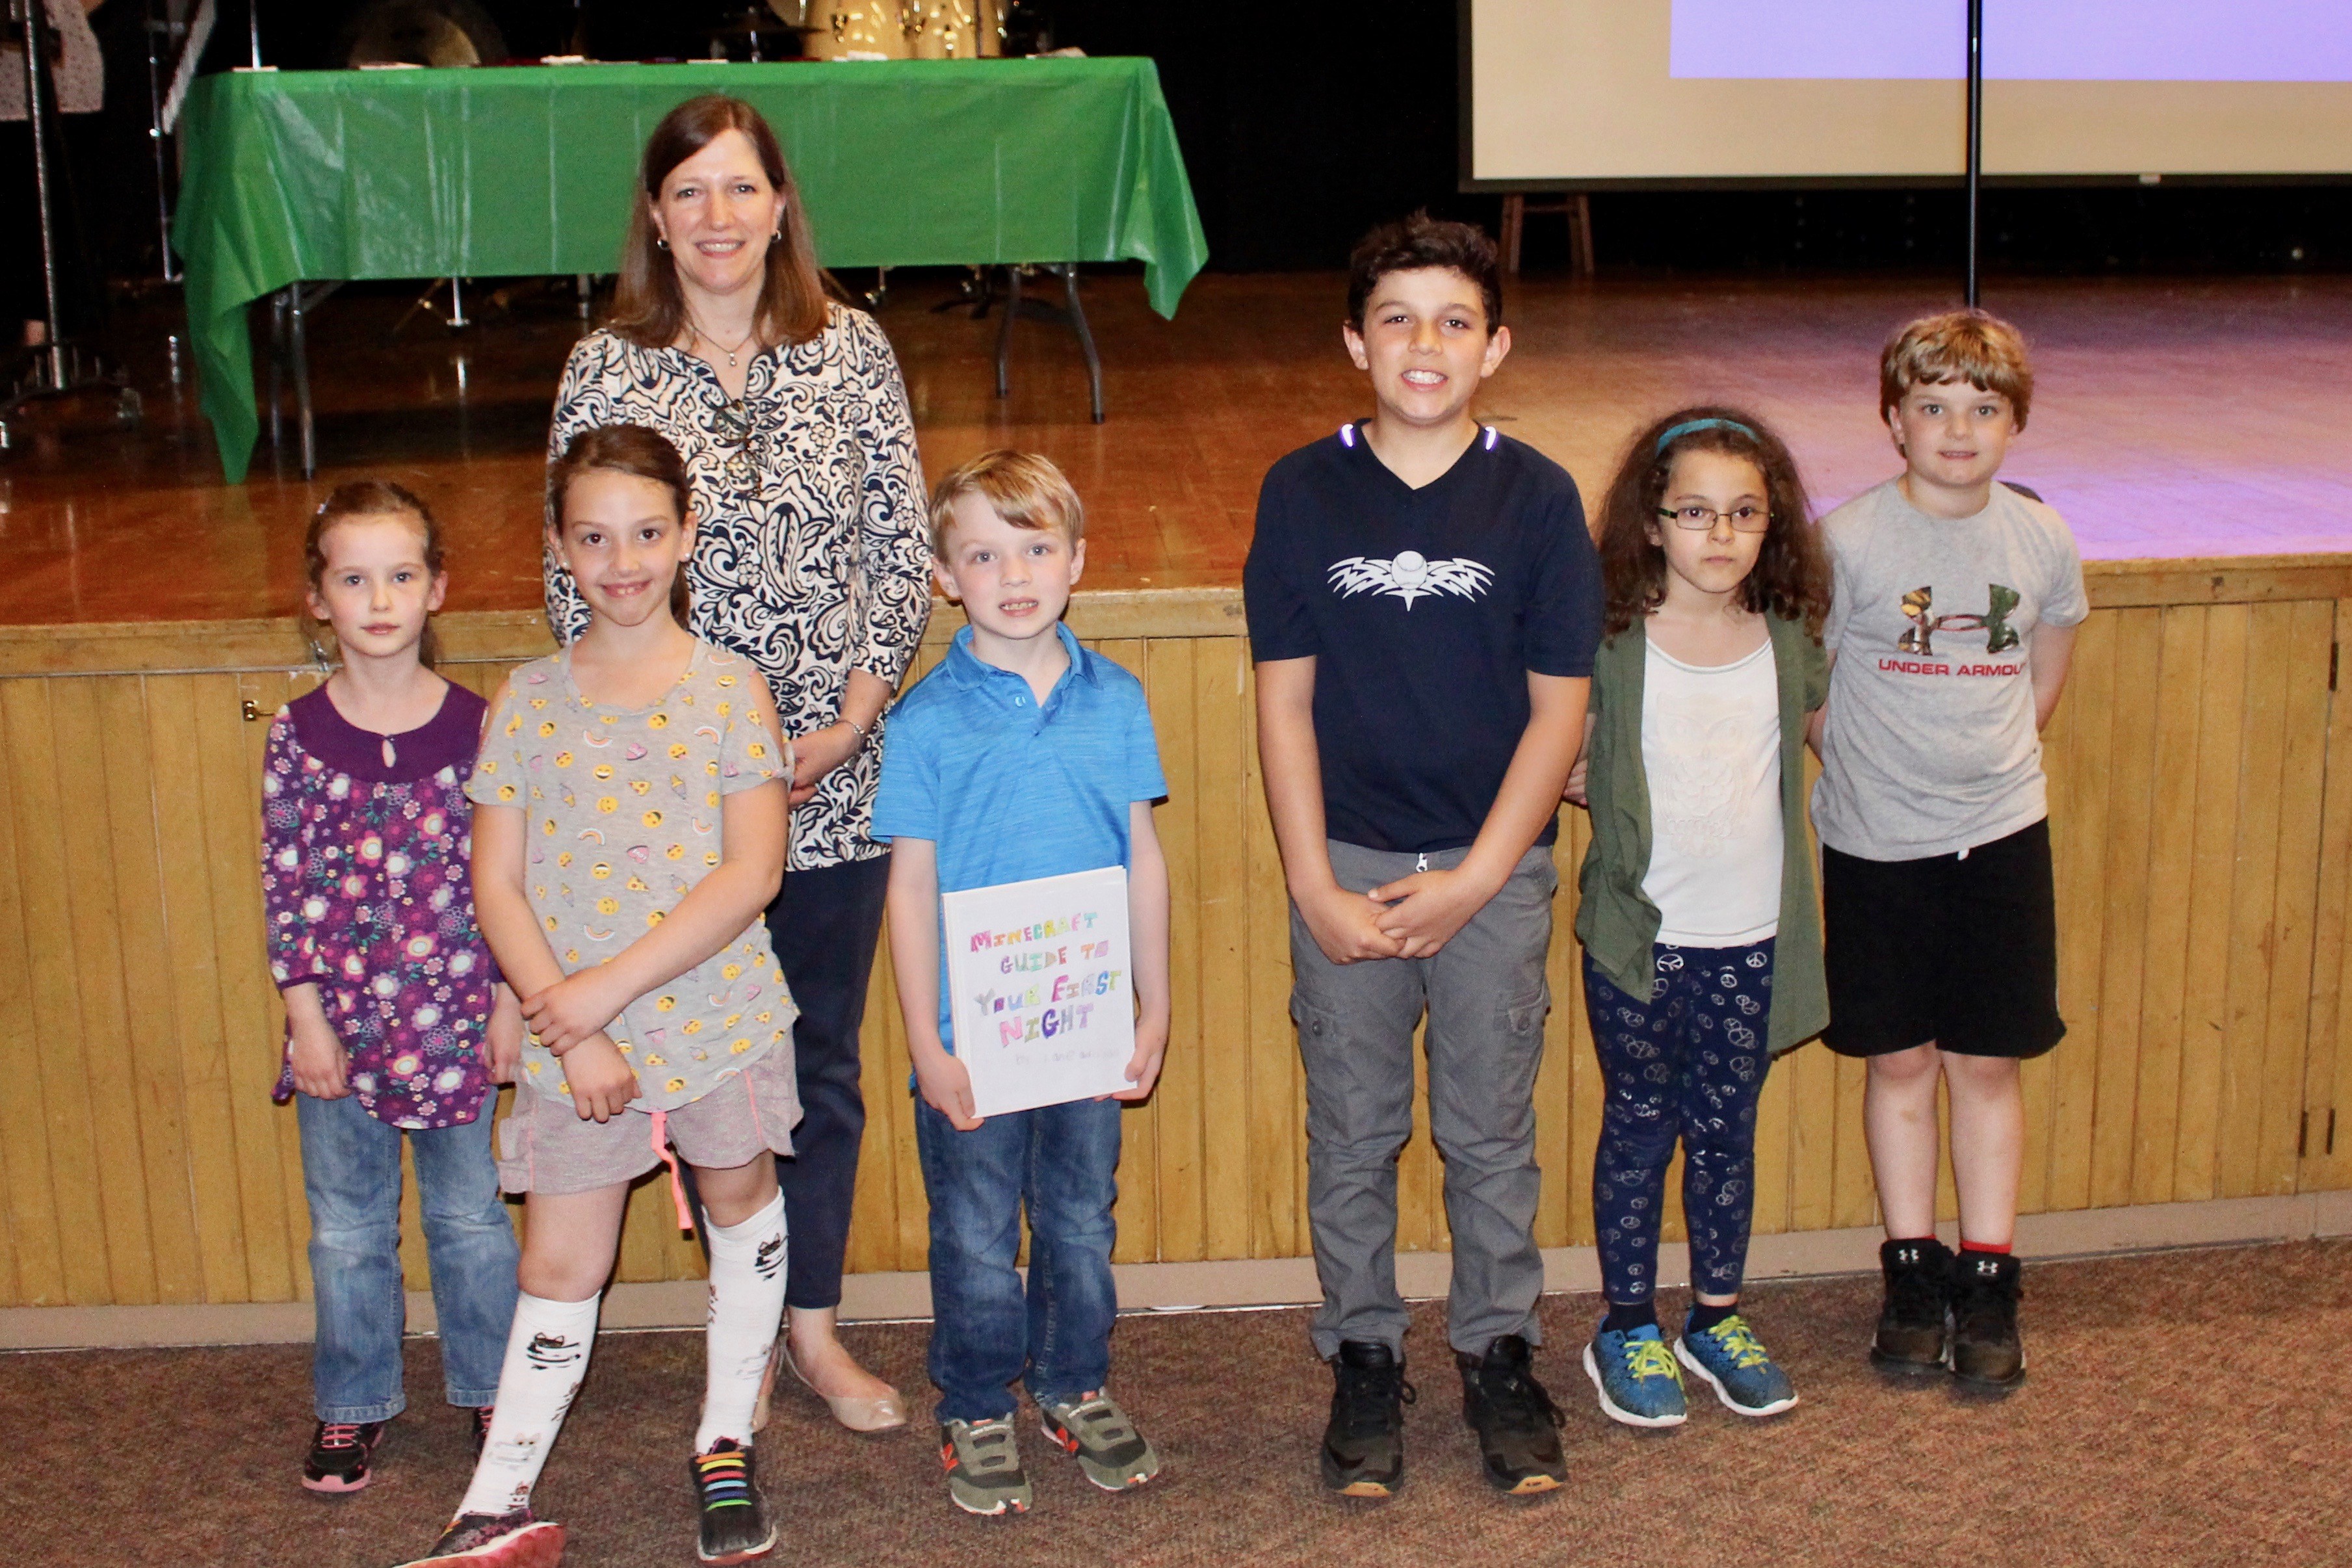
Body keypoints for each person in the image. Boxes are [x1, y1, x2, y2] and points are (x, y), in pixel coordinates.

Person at [547, 93, 931, 1434]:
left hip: (832, 784)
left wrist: (857, 714)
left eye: (741, 188)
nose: (717, 217)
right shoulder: (606, 368)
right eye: (690, 192)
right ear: (656, 215)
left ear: (781, 206)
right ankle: (737, 1344)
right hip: (669, 811)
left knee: (811, 1065)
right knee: (697, 1064)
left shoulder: (854, 350)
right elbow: (572, 584)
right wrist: (677, 767)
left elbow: (900, 554)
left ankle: (806, 1331)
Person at [1242, 213, 1602, 1498]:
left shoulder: (1541, 498)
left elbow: (1560, 713)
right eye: (1397, 318)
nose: (1425, 344)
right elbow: (1283, 701)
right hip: (1343, 860)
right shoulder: (1302, 490)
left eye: (1455, 320)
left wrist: (1476, 878)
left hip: (1490, 872)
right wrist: (1312, 885)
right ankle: (1364, 1358)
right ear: (1354, 340)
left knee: (1489, 1134)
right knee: (1351, 1133)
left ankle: (1500, 1351)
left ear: (1496, 345)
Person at [397, 426, 800, 1568]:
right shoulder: (526, 700)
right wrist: (564, 1024)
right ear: (558, 548)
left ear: (684, 536)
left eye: (646, 533)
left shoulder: (732, 690)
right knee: (559, 1268)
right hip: (577, 1045)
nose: (622, 560)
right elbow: (497, 878)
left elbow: (750, 874)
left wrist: (596, 996)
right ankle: (496, 1497)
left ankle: (725, 1438)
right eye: (593, 537)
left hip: (717, 1022)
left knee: (740, 1206)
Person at [873, 451, 1172, 1517]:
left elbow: (1142, 855)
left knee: (1080, 1218)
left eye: (1036, 547)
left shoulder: (1118, 701)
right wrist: (925, 1041)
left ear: (1076, 561)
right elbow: (909, 892)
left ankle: (1071, 1382)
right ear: (946, 576)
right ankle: (973, 1399)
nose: (1014, 573)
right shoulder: (921, 723)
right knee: (974, 1230)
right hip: (973, 1042)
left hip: (1087, 1030)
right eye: (984, 553)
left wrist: (1157, 1005)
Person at [1812, 309, 2085, 1392]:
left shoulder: (2039, 536)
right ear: (1893, 420)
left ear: (2014, 423)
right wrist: (1864, 763)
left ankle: (1986, 1273)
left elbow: (2052, 642)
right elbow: (1811, 681)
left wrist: (2002, 751)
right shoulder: (1850, 541)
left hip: (2002, 837)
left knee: (1984, 1061)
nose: (1957, 429)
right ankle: (1910, 1270)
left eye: (1981, 409)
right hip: (1877, 845)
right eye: (1932, 408)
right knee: (1899, 1061)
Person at [1565, 409, 1833, 1428]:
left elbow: (1823, 733)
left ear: (1772, 527)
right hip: (1642, 945)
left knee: (1728, 1133)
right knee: (1638, 1128)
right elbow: (1565, 744)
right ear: (1650, 522)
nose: (1718, 536)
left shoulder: (1786, 643)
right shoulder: (1613, 644)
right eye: (1693, 513)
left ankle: (1713, 1316)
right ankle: (1625, 1325)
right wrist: (1577, 774)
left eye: (1743, 514)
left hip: (1750, 944)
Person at [263, 481, 522, 1495]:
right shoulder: (295, 735)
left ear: (437, 589)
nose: (380, 599)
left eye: (401, 576)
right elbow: (287, 887)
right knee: (348, 1229)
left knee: (469, 1220)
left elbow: (507, 879)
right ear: (320, 599)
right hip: (341, 1030)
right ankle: (352, 1403)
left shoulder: (479, 726)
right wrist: (305, 1021)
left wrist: (506, 1000)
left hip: (455, 1023)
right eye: (354, 578)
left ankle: (495, 1390)